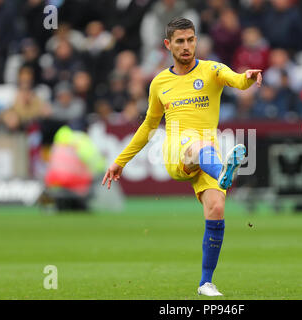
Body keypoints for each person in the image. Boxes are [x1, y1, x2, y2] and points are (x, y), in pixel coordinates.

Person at [101, 18, 262, 296]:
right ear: (168, 45)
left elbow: (236, 79)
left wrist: (246, 78)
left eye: (190, 40)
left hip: (207, 154)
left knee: (216, 208)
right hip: (178, 151)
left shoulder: (212, 70)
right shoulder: (159, 83)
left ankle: (206, 283)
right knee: (196, 145)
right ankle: (224, 170)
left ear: (196, 41)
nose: (186, 46)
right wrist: (121, 160)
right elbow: (148, 126)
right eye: (179, 41)